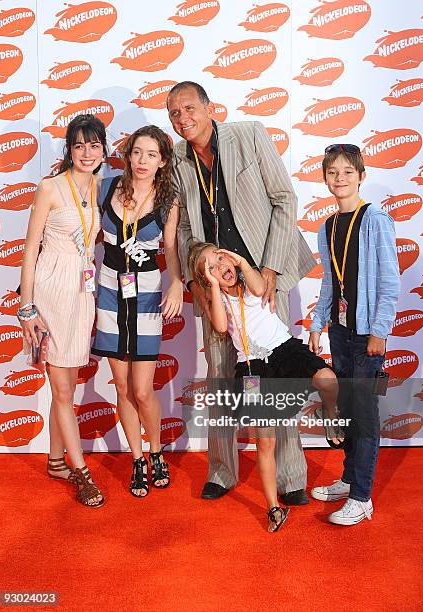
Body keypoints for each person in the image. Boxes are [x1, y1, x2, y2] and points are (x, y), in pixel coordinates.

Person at [167, 80, 316, 503]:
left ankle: (291, 478)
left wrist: (268, 269)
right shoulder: (177, 160)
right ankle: (221, 470)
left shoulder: (249, 135)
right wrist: (204, 263)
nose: (183, 119)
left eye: (190, 108)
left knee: (278, 378)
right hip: (216, 286)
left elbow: (284, 199)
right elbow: (184, 232)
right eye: (174, 113)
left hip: (263, 282)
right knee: (220, 377)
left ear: (210, 107)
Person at [188, 242, 341, 530]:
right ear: (206, 279)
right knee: (266, 439)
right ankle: (273, 508)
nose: (221, 268)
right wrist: (211, 285)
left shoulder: (251, 282)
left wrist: (240, 261)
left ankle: (330, 415)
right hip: (252, 368)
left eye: (221, 259)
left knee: (327, 379)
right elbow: (221, 327)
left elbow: (259, 289)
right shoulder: (217, 300)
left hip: (282, 348)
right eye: (211, 269)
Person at [309, 144, 400, 525]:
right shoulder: (327, 226)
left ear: (361, 175)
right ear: (326, 178)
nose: (340, 178)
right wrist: (318, 323)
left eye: (348, 171)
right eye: (333, 172)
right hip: (341, 333)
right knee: (347, 410)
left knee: (364, 415)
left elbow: (389, 281)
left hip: (367, 336)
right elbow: (330, 280)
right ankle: (350, 479)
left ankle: (362, 497)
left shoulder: (376, 219)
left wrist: (380, 331)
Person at [18, 114, 107, 508]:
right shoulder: (51, 187)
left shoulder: (100, 185)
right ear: (69, 150)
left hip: (82, 293)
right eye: (79, 145)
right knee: (63, 390)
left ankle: (56, 461)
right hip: (52, 292)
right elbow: (29, 249)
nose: (87, 153)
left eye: (94, 145)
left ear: (103, 149)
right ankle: (82, 474)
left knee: (66, 386)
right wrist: (27, 309)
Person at [92, 126, 183, 498]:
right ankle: (135, 458)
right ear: (127, 155)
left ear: (162, 161)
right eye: (137, 153)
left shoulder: (168, 201)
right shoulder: (106, 187)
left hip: (146, 293)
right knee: (124, 387)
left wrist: (176, 282)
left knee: (144, 390)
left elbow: (173, 250)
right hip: (110, 292)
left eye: (151, 154)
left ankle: (156, 452)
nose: (142, 161)